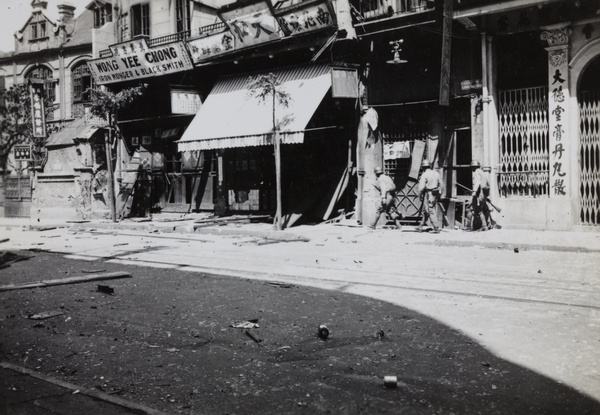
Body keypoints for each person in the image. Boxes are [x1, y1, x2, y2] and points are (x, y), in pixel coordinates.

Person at [417, 160, 441, 233]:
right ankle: (421, 225)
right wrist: (439, 194)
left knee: (430, 210)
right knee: (426, 209)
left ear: (423, 167)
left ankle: (436, 227)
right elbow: (441, 184)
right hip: (435, 193)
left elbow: (421, 187)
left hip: (429, 193)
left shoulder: (425, 174)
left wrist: (420, 194)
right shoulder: (436, 173)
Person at [471, 160, 491, 231]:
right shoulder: (483, 172)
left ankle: (484, 226)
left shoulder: (476, 172)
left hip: (480, 193)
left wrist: (474, 191)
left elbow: (477, 182)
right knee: (485, 208)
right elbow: (488, 184)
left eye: (472, 167)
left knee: (479, 210)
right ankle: (489, 224)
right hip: (484, 194)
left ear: (474, 167)